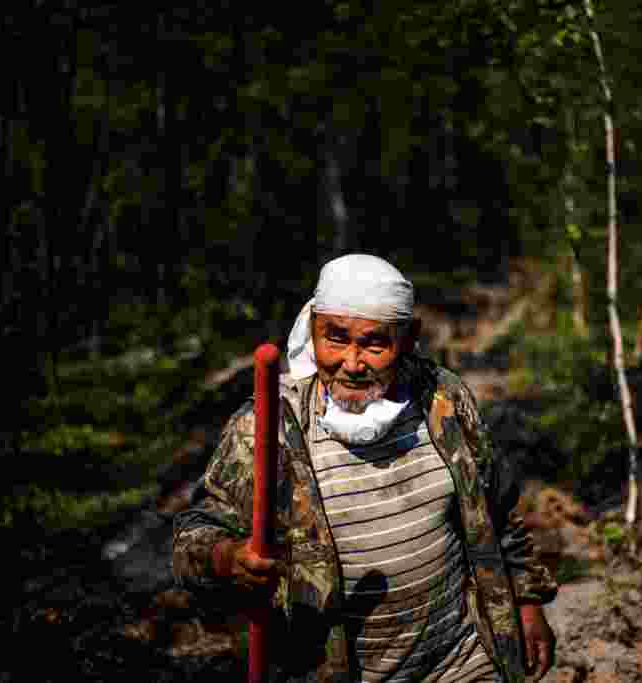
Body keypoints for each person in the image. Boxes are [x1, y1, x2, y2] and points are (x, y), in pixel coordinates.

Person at [173, 254, 557, 683]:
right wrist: (227, 559)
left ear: (409, 338)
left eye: (374, 345)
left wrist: (526, 601)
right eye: (335, 339)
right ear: (313, 327)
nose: (352, 364)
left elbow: (498, 508)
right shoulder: (270, 428)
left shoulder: (442, 400)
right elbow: (197, 532)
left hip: (461, 660)